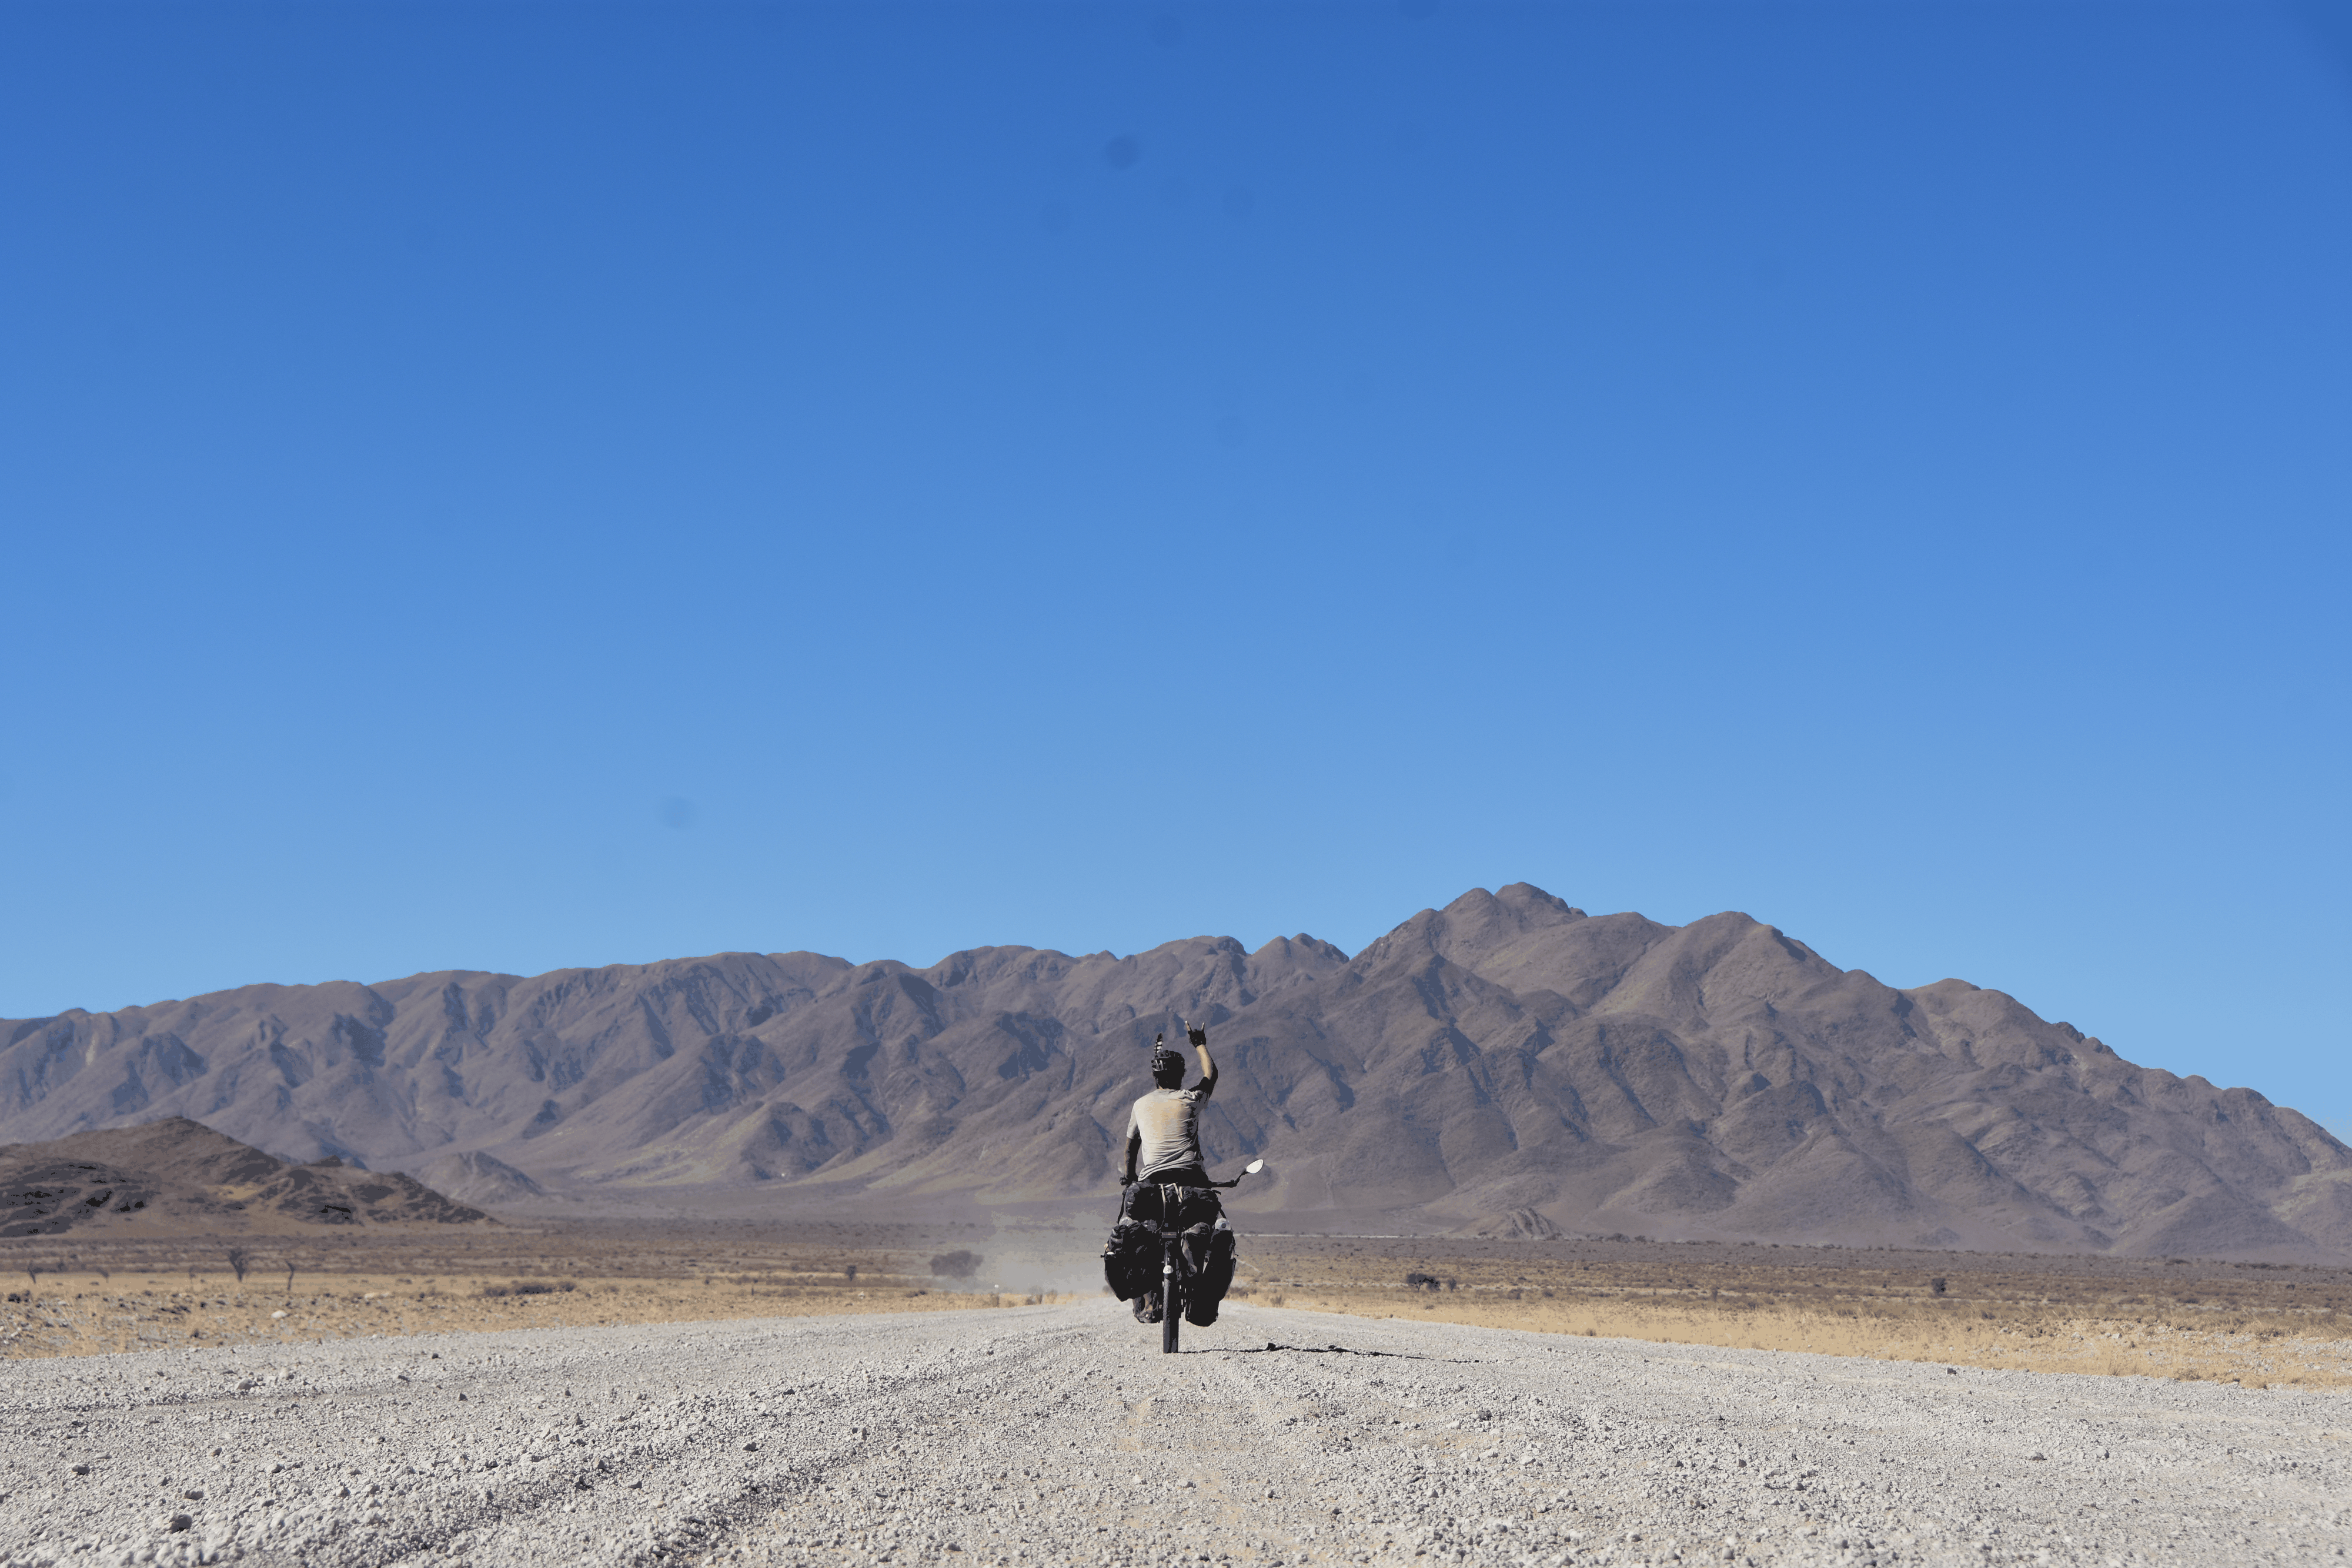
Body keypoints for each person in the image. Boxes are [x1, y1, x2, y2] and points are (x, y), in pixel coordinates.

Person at [1111, 1022, 1218, 1323]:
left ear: (1155, 1076)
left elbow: (1131, 1147)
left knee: (1134, 1229)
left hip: (1150, 1187)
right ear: (1181, 1075)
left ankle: (1146, 1301)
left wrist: (1130, 1176)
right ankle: (1199, 1288)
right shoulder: (1191, 1099)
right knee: (1216, 1230)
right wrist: (1199, 1043)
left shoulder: (1140, 1104)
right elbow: (1211, 1076)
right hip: (1192, 1183)